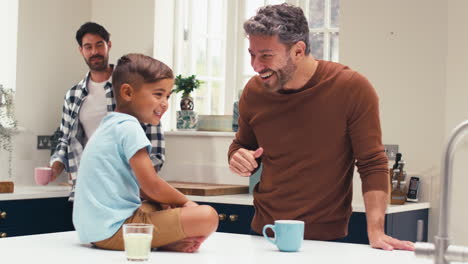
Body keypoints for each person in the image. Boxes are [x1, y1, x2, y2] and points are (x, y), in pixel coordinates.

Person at [228, 3, 414, 251]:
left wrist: (376, 231)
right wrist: (238, 157)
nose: (256, 65)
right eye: (252, 54)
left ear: (298, 50)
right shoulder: (254, 91)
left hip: (326, 240)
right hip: (264, 233)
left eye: (266, 55)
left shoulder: (350, 87)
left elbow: (372, 164)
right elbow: (243, 145)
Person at [73, 53, 218, 252]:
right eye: (158, 94)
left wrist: (169, 202)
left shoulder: (109, 125)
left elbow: (141, 190)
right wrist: (185, 202)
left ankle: (165, 240)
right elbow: (151, 185)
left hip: (95, 231)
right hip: (116, 231)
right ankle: (167, 241)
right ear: (127, 93)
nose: (165, 103)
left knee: (161, 205)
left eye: (167, 96)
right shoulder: (129, 128)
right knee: (207, 216)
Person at [49, 22, 165, 201]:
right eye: (88, 47)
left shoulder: (131, 88)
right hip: (87, 188)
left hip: (128, 189)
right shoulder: (73, 95)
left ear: (108, 45)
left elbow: (154, 141)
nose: (94, 52)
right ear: (81, 50)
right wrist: (55, 167)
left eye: (99, 45)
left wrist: (141, 176)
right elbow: (65, 140)